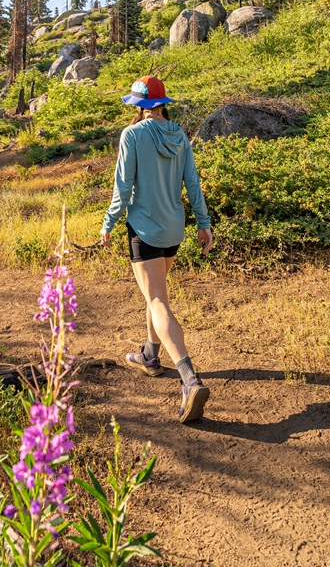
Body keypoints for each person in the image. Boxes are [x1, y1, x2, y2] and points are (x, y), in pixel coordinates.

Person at [100, 76, 213, 424]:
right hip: (173, 229)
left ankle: (190, 379)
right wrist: (203, 222)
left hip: (145, 229)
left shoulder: (132, 135)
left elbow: (123, 186)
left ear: (138, 105)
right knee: (156, 294)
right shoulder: (179, 135)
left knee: (158, 301)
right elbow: (192, 182)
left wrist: (108, 222)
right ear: (163, 102)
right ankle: (150, 355)